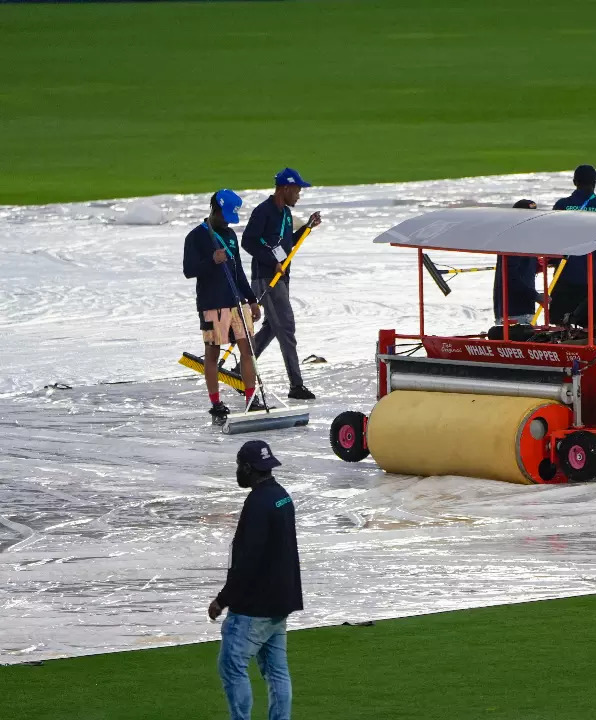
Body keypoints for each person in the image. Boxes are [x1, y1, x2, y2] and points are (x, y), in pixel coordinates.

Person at [208, 440, 303, 720]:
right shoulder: (281, 496)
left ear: (249, 468)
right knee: (276, 672)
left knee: (232, 665)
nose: (237, 471)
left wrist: (222, 600)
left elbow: (247, 560)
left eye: (239, 466)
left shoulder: (258, 503)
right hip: (280, 601)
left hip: (255, 607)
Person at [183, 190, 262, 425]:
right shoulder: (196, 237)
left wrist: (251, 299)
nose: (227, 221)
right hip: (211, 305)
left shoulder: (229, 235)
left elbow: (238, 271)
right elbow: (189, 270)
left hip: (236, 303)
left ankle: (251, 398)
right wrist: (211, 261)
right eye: (225, 216)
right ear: (214, 209)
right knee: (212, 354)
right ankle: (216, 403)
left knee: (248, 351)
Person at [243, 168, 322, 401]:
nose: (299, 195)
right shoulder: (263, 212)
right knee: (286, 327)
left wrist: (306, 228)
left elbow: (287, 245)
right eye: (297, 190)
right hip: (266, 279)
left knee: (272, 327)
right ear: (285, 188)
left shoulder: (286, 214)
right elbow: (248, 241)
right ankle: (296, 385)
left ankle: (240, 371)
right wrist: (272, 261)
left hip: (281, 279)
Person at [550, 164, 596, 322]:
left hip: (564, 274)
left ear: (574, 182)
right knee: (589, 325)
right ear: (595, 182)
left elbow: (550, 236)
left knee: (558, 325)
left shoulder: (561, 206)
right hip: (592, 278)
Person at [492, 199, 545, 325]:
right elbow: (510, 276)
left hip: (523, 310)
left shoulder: (524, 239)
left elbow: (523, 267)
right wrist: (536, 296)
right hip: (514, 313)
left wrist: (538, 264)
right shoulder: (513, 240)